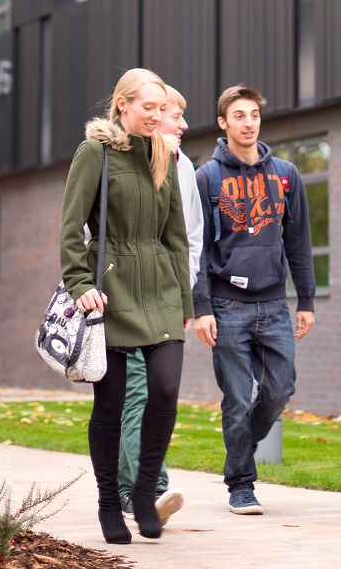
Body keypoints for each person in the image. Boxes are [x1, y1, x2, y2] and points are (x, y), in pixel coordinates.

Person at [59, 68, 193, 544]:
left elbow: (175, 235)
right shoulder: (94, 152)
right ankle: (108, 502)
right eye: (148, 107)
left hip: (160, 289)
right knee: (111, 406)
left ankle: (143, 491)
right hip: (111, 291)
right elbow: (72, 224)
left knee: (166, 388)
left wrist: (185, 299)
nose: (157, 115)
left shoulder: (165, 154)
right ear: (123, 105)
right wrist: (79, 284)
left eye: (162, 108)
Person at [192, 84, 316, 515]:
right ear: (223, 123)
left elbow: (299, 241)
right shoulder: (206, 177)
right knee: (238, 397)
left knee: (281, 389)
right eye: (238, 116)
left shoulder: (285, 174)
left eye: (254, 115)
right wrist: (202, 308)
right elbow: (198, 249)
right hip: (226, 306)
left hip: (274, 304)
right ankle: (241, 484)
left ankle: (238, 453)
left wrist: (307, 300)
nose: (248, 123)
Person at [118, 84, 203, 526]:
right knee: (137, 392)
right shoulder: (116, 156)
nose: (183, 124)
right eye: (175, 115)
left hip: (166, 299)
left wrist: (180, 294)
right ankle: (149, 490)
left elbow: (188, 236)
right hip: (124, 299)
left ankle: (131, 489)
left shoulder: (180, 164)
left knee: (158, 393)